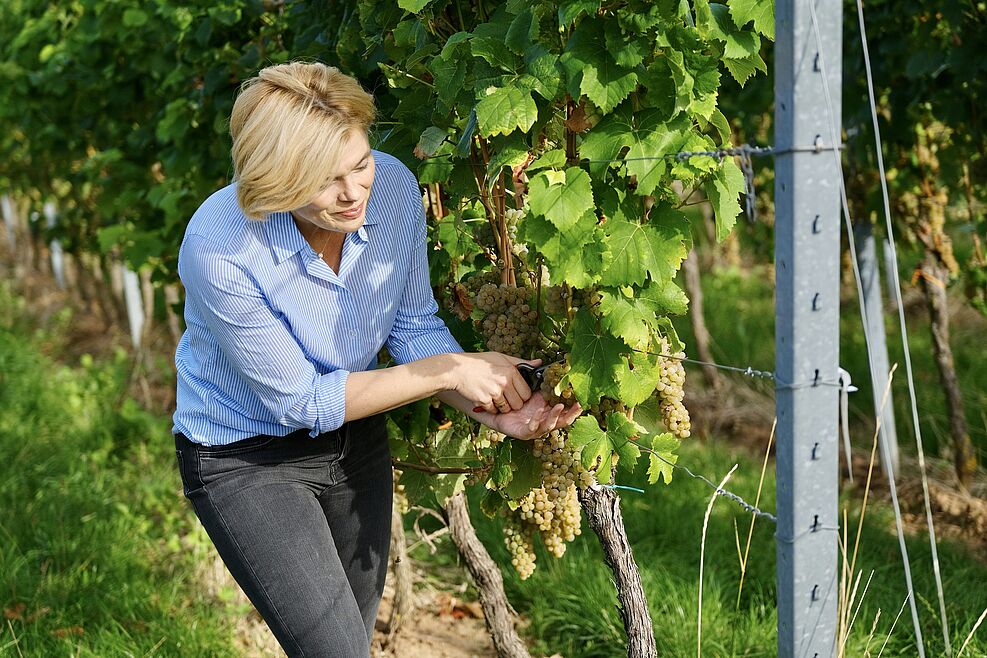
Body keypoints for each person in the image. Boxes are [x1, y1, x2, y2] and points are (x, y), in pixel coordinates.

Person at [172, 61, 581, 658]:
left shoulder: (391, 191)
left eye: (360, 164)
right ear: (276, 180)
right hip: (247, 461)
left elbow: (413, 325)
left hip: (354, 441)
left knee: (350, 646)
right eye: (325, 179)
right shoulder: (220, 247)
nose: (354, 191)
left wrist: (487, 404)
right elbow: (302, 401)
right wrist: (449, 370)